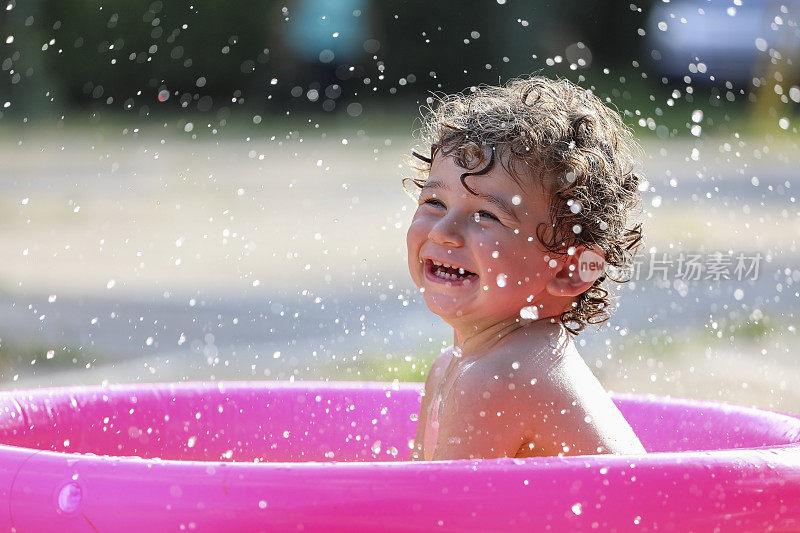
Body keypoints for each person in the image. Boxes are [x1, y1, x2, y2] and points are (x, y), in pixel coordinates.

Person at [405, 76, 647, 461]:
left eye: (486, 215)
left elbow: (438, 517)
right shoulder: (455, 366)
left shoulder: (497, 378)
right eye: (434, 202)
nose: (444, 232)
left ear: (571, 270)